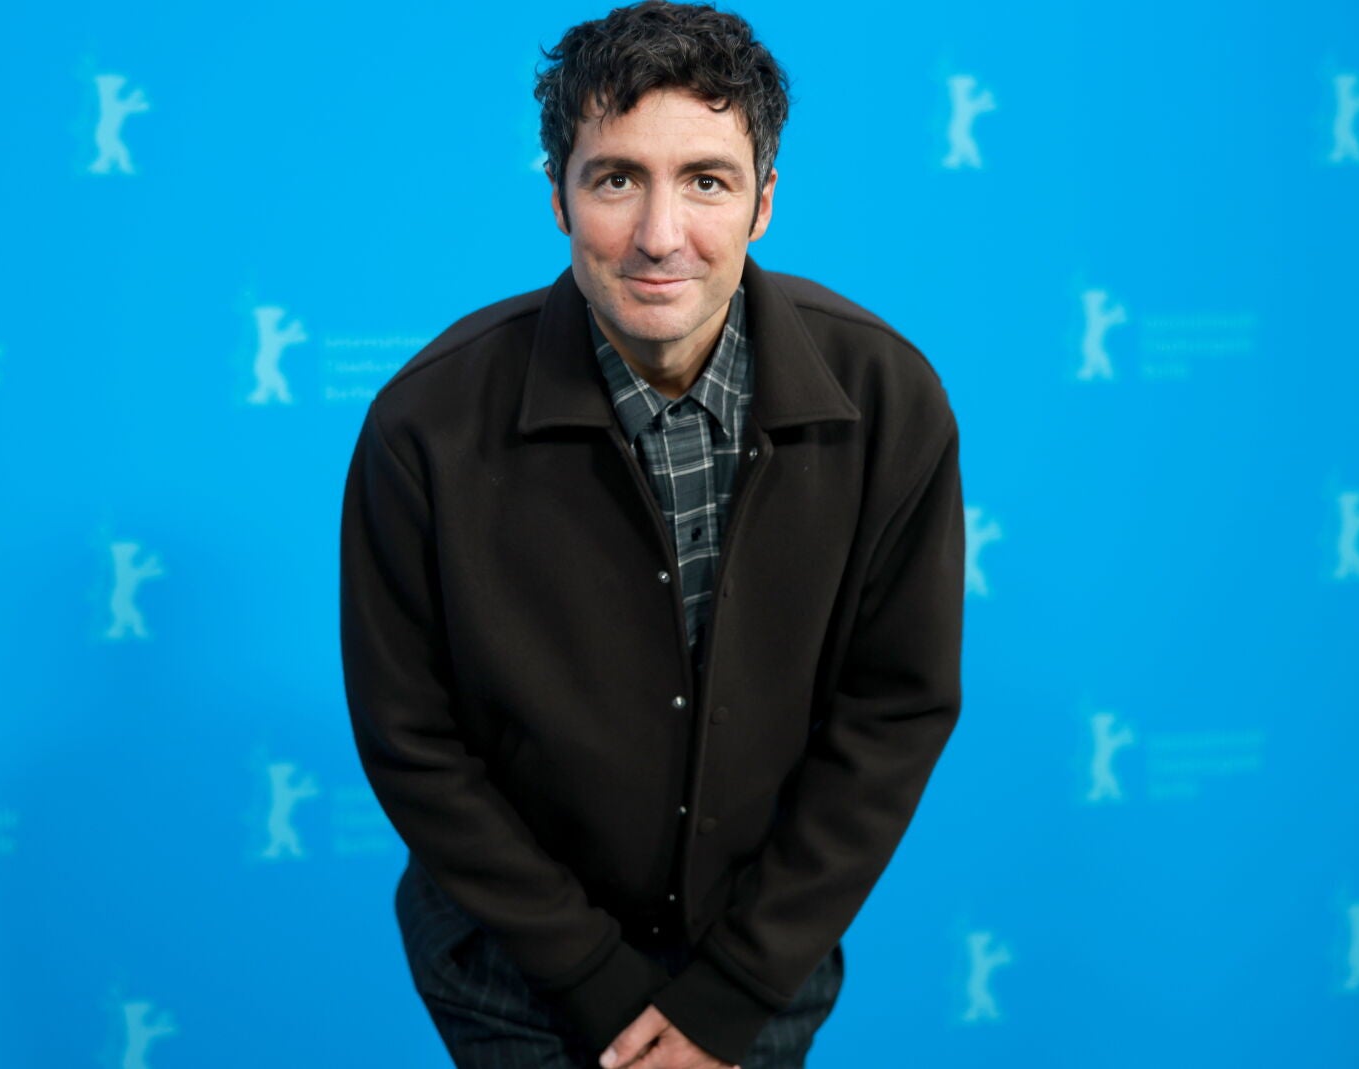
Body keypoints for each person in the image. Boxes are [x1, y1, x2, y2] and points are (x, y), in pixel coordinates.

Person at [338, 2, 964, 1065]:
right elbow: (412, 739)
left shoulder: (887, 399)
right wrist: (591, 978)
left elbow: (893, 711)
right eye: (617, 179)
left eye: (706, 181)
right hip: (513, 973)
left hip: (761, 966)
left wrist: (733, 991)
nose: (660, 235)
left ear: (765, 201)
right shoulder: (425, 424)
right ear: (558, 196)